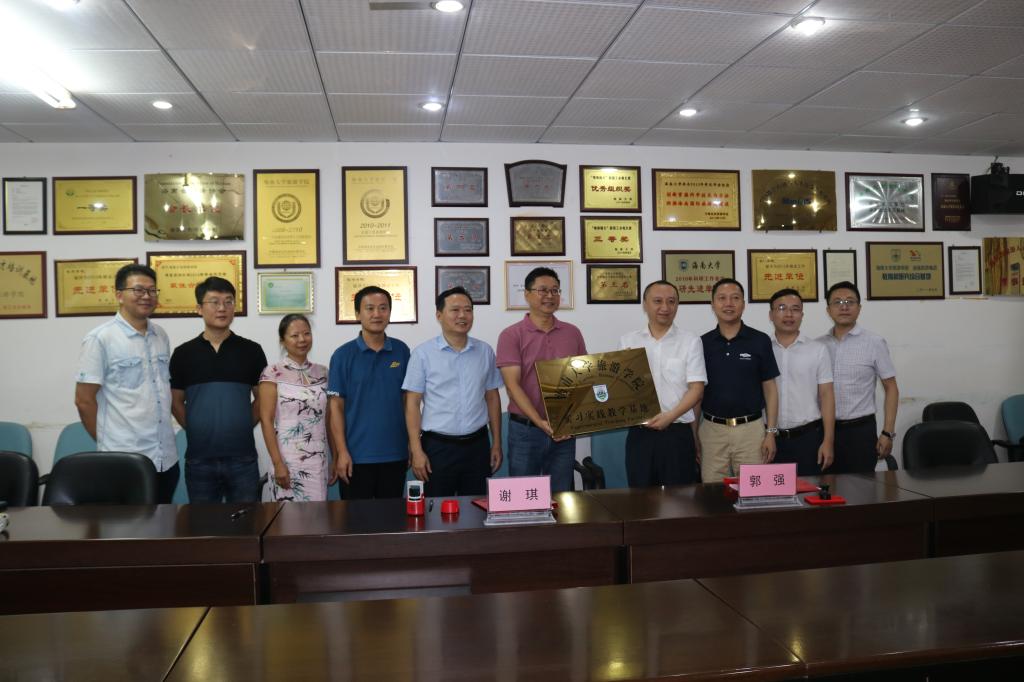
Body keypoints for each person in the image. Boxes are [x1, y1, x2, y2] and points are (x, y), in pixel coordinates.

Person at [74, 264, 178, 502]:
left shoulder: (160, 335)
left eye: (152, 290)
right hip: (123, 461)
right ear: (119, 295)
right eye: (138, 290)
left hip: (165, 458)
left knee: (163, 523)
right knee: (125, 525)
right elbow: (84, 400)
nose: (146, 296)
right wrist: (108, 444)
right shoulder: (100, 339)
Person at [170, 276, 267, 503]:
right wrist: (196, 428)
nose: (222, 308)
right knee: (203, 523)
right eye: (214, 301)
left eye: (228, 301)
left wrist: (244, 424)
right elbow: (175, 402)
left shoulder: (251, 350)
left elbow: (263, 398)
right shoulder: (183, 353)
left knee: (246, 521)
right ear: (199, 308)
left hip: (242, 458)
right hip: (199, 460)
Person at [403, 287, 503, 496]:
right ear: (439, 315)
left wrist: (496, 443)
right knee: (436, 509)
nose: (462, 315)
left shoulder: (485, 351)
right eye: (455, 310)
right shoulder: (423, 354)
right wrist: (416, 450)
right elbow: (412, 403)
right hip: (437, 447)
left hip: (477, 445)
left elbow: (492, 397)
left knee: (477, 506)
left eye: (468, 310)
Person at [497, 267, 586, 492]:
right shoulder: (511, 335)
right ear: (527, 294)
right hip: (525, 430)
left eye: (555, 290)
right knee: (523, 495)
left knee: (561, 496)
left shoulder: (573, 332)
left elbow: (582, 380)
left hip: (563, 430)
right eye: (543, 290)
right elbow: (512, 386)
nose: (550, 296)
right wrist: (539, 421)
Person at [618, 280, 706, 487]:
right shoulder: (628, 341)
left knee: (680, 498)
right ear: (645, 304)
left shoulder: (690, 341)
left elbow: (697, 389)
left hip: (677, 433)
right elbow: (621, 389)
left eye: (671, 301)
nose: (665, 307)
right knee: (641, 498)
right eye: (657, 301)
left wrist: (669, 417)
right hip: (640, 434)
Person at [327, 286, 410, 499]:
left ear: (389, 313)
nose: (377, 314)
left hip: (395, 453)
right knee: (356, 519)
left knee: (392, 516)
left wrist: (413, 444)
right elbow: (336, 407)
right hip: (355, 457)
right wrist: (341, 452)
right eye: (370, 308)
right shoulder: (342, 355)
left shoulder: (402, 351)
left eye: (383, 308)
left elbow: (408, 402)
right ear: (357, 314)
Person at [697, 278, 780, 482]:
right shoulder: (701, 343)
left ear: (743, 304)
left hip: (751, 431)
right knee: (712, 493)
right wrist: (694, 437)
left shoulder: (760, 340)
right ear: (712, 304)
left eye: (735, 298)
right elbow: (696, 393)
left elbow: (770, 389)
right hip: (711, 431)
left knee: (754, 491)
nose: (729, 304)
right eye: (722, 298)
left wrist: (771, 432)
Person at [818, 281, 899, 473]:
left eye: (850, 301)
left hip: (860, 432)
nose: (844, 306)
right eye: (837, 302)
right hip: (822, 431)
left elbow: (891, 388)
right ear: (828, 310)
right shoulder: (817, 346)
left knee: (861, 487)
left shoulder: (874, 342)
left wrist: (887, 432)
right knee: (824, 485)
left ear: (859, 308)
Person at [258, 314, 332, 501]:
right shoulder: (272, 373)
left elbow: (329, 419)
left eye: (306, 333)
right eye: (294, 335)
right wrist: (278, 463)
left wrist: (335, 457)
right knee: (287, 515)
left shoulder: (323, 372)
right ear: (282, 340)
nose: (302, 339)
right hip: (286, 460)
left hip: (318, 459)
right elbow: (266, 421)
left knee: (318, 515)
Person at [767, 288, 835, 476]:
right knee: (771, 492)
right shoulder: (761, 348)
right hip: (769, 439)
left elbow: (827, 395)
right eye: (782, 308)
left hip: (808, 439)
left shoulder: (817, 350)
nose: (789, 314)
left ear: (802, 315)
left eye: (795, 309)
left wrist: (828, 441)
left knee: (809, 490)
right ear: (771, 315)